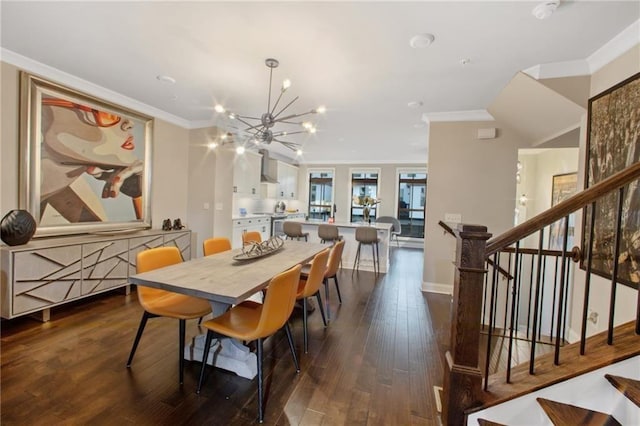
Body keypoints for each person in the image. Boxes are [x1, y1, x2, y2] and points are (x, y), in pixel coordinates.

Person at [39, 97, 143, 223]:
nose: (129, 124)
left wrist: (139, 192)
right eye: (107, 113)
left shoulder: (62, 189)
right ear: (43, 114)